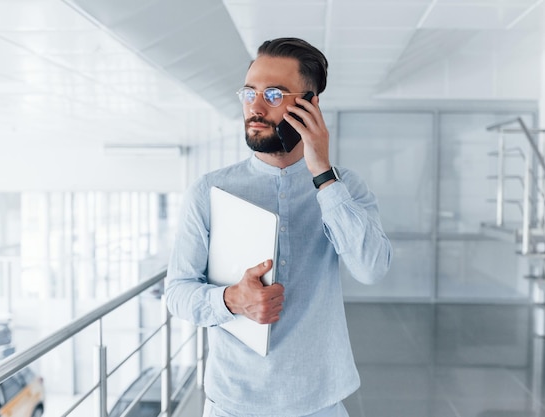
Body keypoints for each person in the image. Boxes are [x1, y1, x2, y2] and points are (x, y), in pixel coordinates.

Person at [166, 37, 392, 417]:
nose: (254, 106)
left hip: (320, 401)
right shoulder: (209, 190)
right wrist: (231, 299)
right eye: (249, 92)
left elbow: (372, 268)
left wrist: (323, 175)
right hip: (232, 403)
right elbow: (177, 292)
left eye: (273, 94)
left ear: (310, 104)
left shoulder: (345, 187)